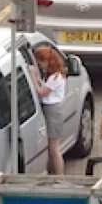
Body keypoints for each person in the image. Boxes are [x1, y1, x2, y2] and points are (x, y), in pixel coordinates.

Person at [30, 47, 67, 175]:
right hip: (51, 110)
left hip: (53, 112)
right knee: (52, 149)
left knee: (54, 149)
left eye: (40, 61)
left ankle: (59, 176)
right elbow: (45, 86)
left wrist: (34, 77)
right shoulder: (52, 76)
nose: (40, 65)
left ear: (47, 61)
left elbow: (41, 92)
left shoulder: (56, 78)